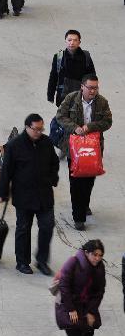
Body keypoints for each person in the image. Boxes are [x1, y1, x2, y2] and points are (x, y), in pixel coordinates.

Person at [0, 113, 59, 275]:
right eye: (36, 129)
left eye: (41, 129)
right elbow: (6, 171)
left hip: (44, 195)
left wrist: (53, 178)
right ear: (27, 127)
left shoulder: (46, 142)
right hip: (24, 196)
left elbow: (54, 162)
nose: (39, 132)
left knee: (47, 226)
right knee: (23, 228)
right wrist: (2, 192)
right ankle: (22, 262)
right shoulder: (14, 145)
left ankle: (42, 261)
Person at [56, 77, 112, 230]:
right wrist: (75, 127)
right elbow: (60, 116)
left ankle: (84, 204)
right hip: (73, 148)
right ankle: (78, 217)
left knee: (89, 181)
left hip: (93, 149)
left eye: (95, 88)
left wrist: (91, 126)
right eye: (90, 87)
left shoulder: (102, 102)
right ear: (82, 87)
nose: (93, 91)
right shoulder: (71, 99)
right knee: (76, 182)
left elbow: (108, 122)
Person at [55, 240, 106, 336]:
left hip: (88, 307)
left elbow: (100, 291)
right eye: (94, 254)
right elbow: (64, 285)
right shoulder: (73, 262)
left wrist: (91, 311)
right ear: (86, 252)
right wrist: (71, 309)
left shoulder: (100, 268)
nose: (97, 258)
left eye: (100, 255)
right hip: (69, 305)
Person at [47, 30, 96, 107]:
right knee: (63, 118)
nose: (72, 43)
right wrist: (50, 95)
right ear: (65, 41)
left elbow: (92, 77)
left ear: (79, 42)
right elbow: (53, 77)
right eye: (69, 40)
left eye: (75, 40)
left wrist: (92, 94)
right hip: (63, 97)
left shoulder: (86, 56)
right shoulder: (59, 57)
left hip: (81, 97)